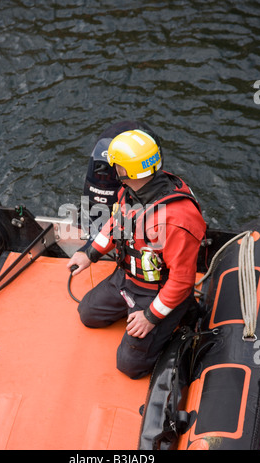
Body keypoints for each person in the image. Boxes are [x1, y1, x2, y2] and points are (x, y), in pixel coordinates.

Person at [67, 128, 206, 379]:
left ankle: (180, 314)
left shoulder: (175, 220)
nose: (112, 169)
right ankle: (134, 309)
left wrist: (151, 317)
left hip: (157, 292)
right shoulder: (131, 191)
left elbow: (182, 279)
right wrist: (90, 254)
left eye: (116, 165)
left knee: (129, 365)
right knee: (88, 313)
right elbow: (116, 224)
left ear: (125, 170)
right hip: (127, 278)